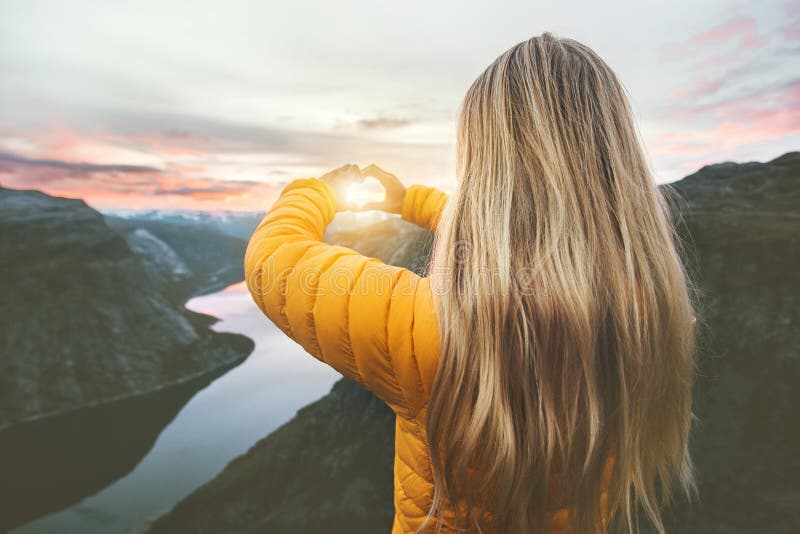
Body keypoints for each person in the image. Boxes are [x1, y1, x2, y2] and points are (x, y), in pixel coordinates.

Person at [245, 32, 697, 534]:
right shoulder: (654, 316)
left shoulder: (428, 332)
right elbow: (519, 242)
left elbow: (273, 259)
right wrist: (412, 201)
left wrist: (317, 192)